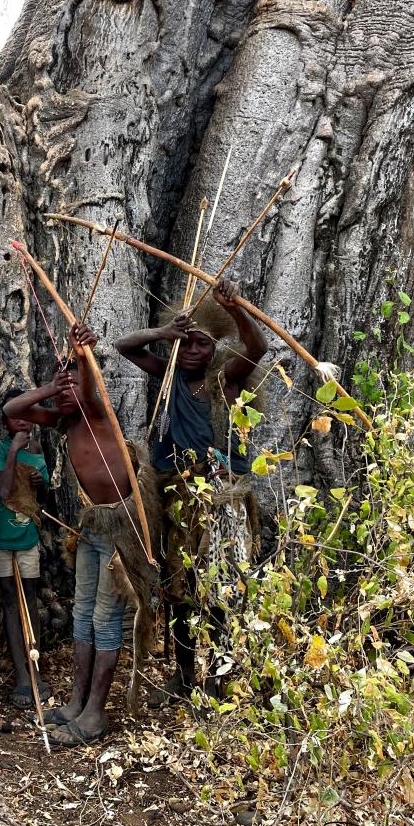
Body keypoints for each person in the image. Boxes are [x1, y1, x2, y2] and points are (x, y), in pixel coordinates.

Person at [115, 278, 267, 704]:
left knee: (218, 591)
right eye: (186, 345)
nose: (192, 352)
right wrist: (166, 334)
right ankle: (183, 674)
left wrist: (235, 307)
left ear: (215, 347)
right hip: (179, 500)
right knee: (179, 590)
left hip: (220, 500)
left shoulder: (227, 380)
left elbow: (257, 349)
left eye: (201, 344)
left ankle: (216, 677)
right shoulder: (169, 375)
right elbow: (124, 346)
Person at [4, 323, 151, 747]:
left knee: (105, 618)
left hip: (120, 525)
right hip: (91, 526)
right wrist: (53, 388)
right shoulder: (64, 421)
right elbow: (14, 409)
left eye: (74, 383)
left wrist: (83, 357)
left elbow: (87, 394)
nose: (69, 393)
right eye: (62, 383)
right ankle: (75, 703)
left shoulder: (97, 410)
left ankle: (95, 715)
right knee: (83, 611)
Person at [0, 390, 50, 710]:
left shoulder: (38, 449)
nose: (23, 420)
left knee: (31, 602)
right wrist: (12, 452)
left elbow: (44, 499)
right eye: (15, 416)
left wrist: (41, 483)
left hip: (28, 541)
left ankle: (36, 671)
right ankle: (22, 678)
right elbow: (4, 491)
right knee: (11, 603)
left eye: (30, 413)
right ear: (4, 421)